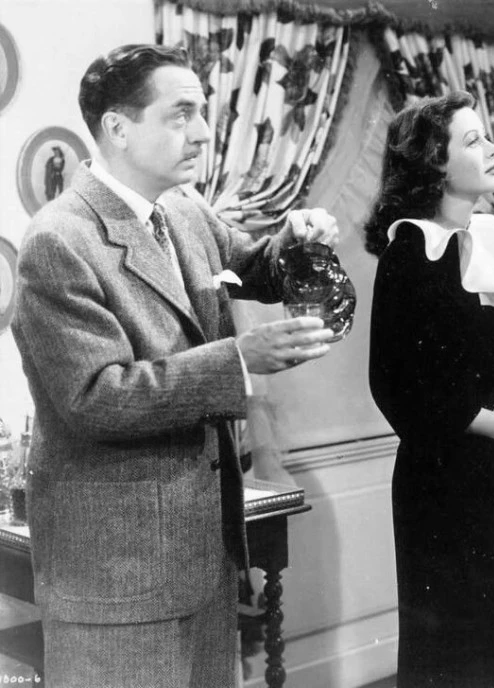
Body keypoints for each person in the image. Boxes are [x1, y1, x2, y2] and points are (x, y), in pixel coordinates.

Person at [11, 44, 339, 687]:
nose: (204, 132)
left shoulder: (185, 212)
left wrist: (296, 240)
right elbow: (96, 398)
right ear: (117, 127)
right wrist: (236, 362)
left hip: (203, 564)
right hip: (117, 585)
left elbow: (255, 268)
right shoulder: (59, 240)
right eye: (181, 113)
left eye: (203, 112)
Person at [365, 90, 494, 687]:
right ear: (435, 162)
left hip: (490, 477)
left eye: (488, 136)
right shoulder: (409, 250)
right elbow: (395, 386)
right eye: (473, 141)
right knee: (454, 654)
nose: (493, 148)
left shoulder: (486, 242)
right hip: (438, 481)